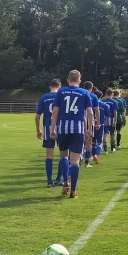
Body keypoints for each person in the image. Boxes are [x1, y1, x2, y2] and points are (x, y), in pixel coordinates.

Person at [50, 70, 93, 199]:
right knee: (74, 161)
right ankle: (73, 191)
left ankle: (65, 182)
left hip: (63, 129)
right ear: (79, 81)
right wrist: (89, 129)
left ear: (67, 80)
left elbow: (55, 112)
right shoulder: (84, 92)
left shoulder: (61, 92)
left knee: (63, 156)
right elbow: (90, 113)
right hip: (78, 130)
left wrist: (52, 129)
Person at [35, 79, 62, 187]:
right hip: (60, 127)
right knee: (63, 155)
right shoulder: (61, 96)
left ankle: (49, 181)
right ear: (59, 86)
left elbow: (37, 116)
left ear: (49, 86)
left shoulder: (44, 98)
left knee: (49, 156)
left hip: (47, 127)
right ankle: (59, 179)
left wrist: (38, 130)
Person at [83, 81, 100, 168]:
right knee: (89, 141)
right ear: (92, 87)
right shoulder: (94, 96)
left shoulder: (80, 94)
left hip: (80, 120)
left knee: (80, 140)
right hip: (90, 120)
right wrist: (98, 122)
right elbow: (96, 110)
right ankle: (86, 162)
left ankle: (79, 158)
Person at [92, 90, 110, 164]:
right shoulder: (104, 105)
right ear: (101, 96)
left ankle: (91, 155)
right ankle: (96, 155)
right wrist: (107, 122)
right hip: (100, 125)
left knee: (92, 142)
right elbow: (107, 115)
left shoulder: (90, 104)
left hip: (91, 124)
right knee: (99, 142)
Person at [100, 89, 119, 153]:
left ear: (106, 94)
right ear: (112, 94)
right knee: (112, 134)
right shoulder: (114, 102)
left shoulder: (102, 101)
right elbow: (115, 112)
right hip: (112, 119)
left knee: (104, 134)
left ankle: (105, 148)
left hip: (104, 119)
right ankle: (112, 147)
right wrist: (115, 120)